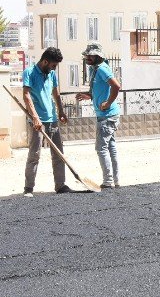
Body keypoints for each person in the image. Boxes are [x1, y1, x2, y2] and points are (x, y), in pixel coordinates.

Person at [22, 47, 69, 197]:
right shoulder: (29, 73)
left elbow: (56, 93)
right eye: (53, 65)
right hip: (37, 121)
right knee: (34, 154)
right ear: (45, 61)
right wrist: (35, 117)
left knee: (59, 154)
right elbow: (26, 96)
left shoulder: (52, 74)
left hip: (52, 119)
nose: (54, 68)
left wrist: (61, 111)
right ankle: (28, 188)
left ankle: (60, 185)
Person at [76, 43, 121, 189]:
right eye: (86, 55)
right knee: (110, 147)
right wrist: (88, 95)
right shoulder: (94, 69)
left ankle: (108, 181)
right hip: (106, 114)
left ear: (98, 56)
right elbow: (99, 89)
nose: (87, 58)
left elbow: (116, 86)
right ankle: (115, 180)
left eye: (90, 55)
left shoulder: (102, 69)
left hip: (107, 115)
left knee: (101, 147)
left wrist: (108, 103)